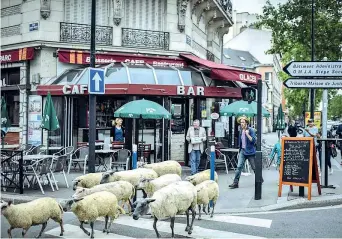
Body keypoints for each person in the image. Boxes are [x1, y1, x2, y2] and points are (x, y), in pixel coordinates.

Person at [229, 116, 262, 189]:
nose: (241, 124)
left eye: (243, 122)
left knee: (254, 168)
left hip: (250, 152)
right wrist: (239, 149)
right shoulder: (241, 130)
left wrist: (247, 134)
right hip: (243, 151)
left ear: (246, 123)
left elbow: (253, 141)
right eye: (241, 122)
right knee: (239, 167)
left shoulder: (251, 130)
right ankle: (235, 183)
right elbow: (241, 141)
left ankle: (259, 179)